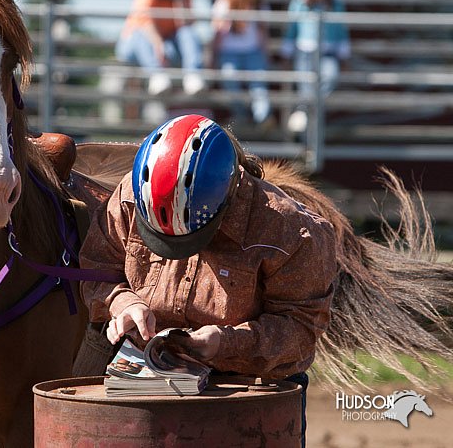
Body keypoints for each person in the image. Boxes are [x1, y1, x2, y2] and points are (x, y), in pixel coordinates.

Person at [79, 114, 338, 446]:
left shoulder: (292, 233)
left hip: (245, 384)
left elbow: (301, 331)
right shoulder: (131, 195)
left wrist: (225, 343)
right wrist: (122, 302)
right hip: (133, 367)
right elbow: (97, 265)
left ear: (226, 199)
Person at [116, 0, 206, 99]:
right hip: (136, 45)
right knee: (141, 34)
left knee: (187, 32)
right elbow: (143, 20)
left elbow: (187, 25)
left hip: (164, 48)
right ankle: (157, 75)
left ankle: (193, 76)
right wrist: (158, 44)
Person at [281, 0, 351, 133]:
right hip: (305, 53)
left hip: (328, 54)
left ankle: (306, 110)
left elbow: (342, 30)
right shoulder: (299, 2)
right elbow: (291, 29)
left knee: (330, 77)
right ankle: (308, 118)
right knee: (305, 84)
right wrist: (286, 54)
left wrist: (344, 56)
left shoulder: (336, 3)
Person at [211, 0, 271, 124]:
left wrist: (265, 54)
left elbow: (263, 34)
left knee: (259, 82)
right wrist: (213, 57)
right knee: (229, 78)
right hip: (229, 53)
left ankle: (262, 119)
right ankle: (241, 115)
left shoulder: (259, 6)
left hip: (253, 51)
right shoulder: (224, 4)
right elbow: (217, 35)